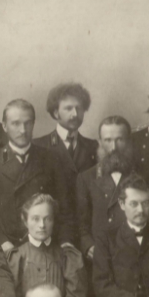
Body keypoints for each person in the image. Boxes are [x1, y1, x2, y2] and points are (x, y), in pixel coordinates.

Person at [0, 98, 76, 251]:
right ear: (4, 126)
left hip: (46, 246)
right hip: (7, 248)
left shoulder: (51, 159)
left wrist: (65, 242)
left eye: (28, 123)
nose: (23, 130)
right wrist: (3, 243)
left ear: (33, 124)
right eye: (16, 123)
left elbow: (65, 211)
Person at [8, 194, 87, 297]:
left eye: (47, 219)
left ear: (54, 221)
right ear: (25, 221)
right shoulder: (16, 257)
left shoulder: (67, 256)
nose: (42, 225)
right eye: (35, 219)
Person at [34, 82, 99, 228]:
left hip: (86, 226)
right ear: (55, 112)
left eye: (79, 108)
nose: (75, 114)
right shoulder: (39, 146)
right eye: (68, 108)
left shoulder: (93, 146)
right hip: (52, 226)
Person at [76, 115, 136, 261]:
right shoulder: (86, 178)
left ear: (128, 141)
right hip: (100, 257)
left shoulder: (141, 175)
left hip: (133, 255)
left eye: (119, 140)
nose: (113, 147)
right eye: (108, 140)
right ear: (100, 142)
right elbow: (81, 224)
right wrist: (89, 246)